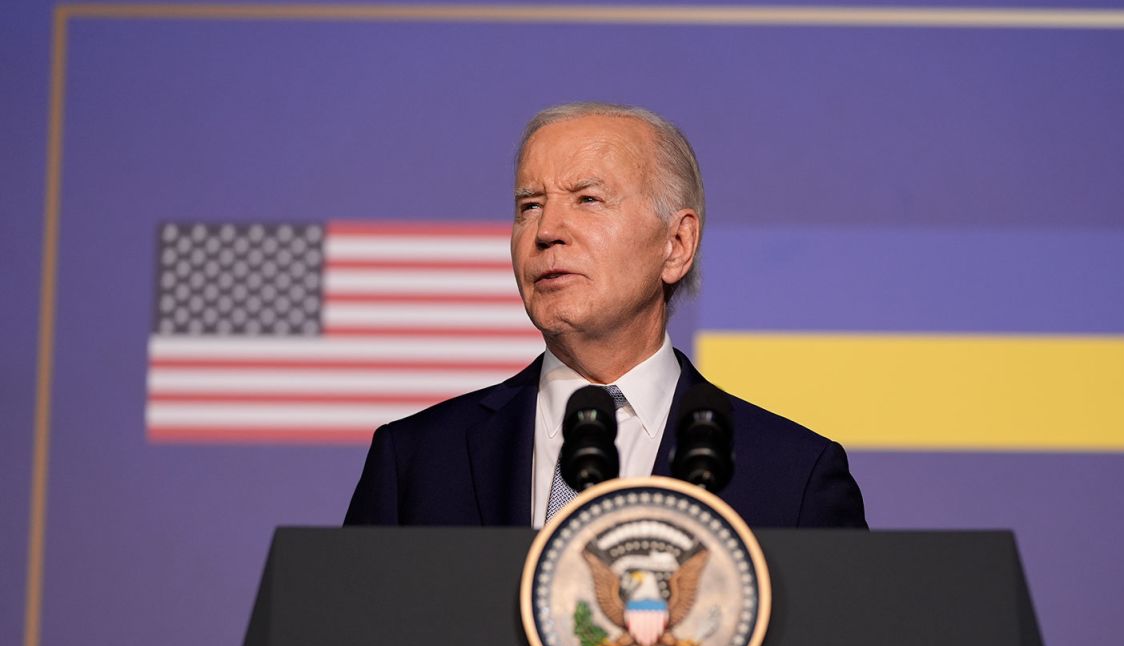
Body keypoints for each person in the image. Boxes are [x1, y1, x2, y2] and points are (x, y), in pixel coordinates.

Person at [344, 102, 866, 529]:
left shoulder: (793, 475)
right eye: (529, 206)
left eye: (587, 199)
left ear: (676, 244)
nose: (547, 230)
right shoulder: (414, 461)